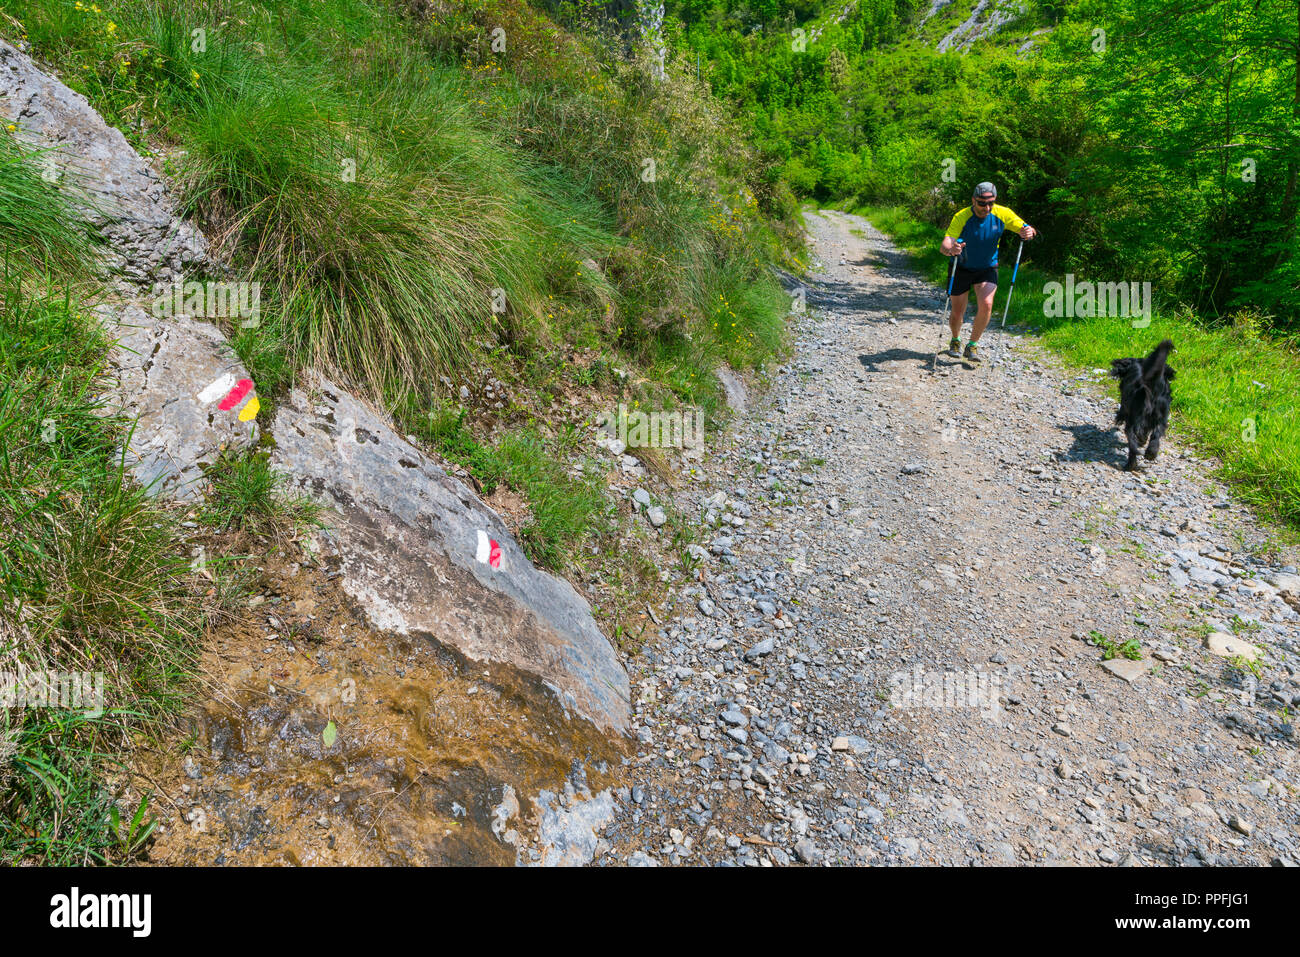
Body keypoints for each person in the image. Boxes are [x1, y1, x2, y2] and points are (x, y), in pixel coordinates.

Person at [940, 182, 1035, 362]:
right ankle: (955, 339)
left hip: (987, 267)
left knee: (987, 304)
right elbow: (945, 244)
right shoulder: (962, 216)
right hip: (961, 267)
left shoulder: (1002, 213)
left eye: (991, 202)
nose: (987, 207)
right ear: (973, 201)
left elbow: (1026, 228)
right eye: (982, 203)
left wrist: (1028, 232)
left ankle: (972, 345)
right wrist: (951, 249)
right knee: (957, 311)